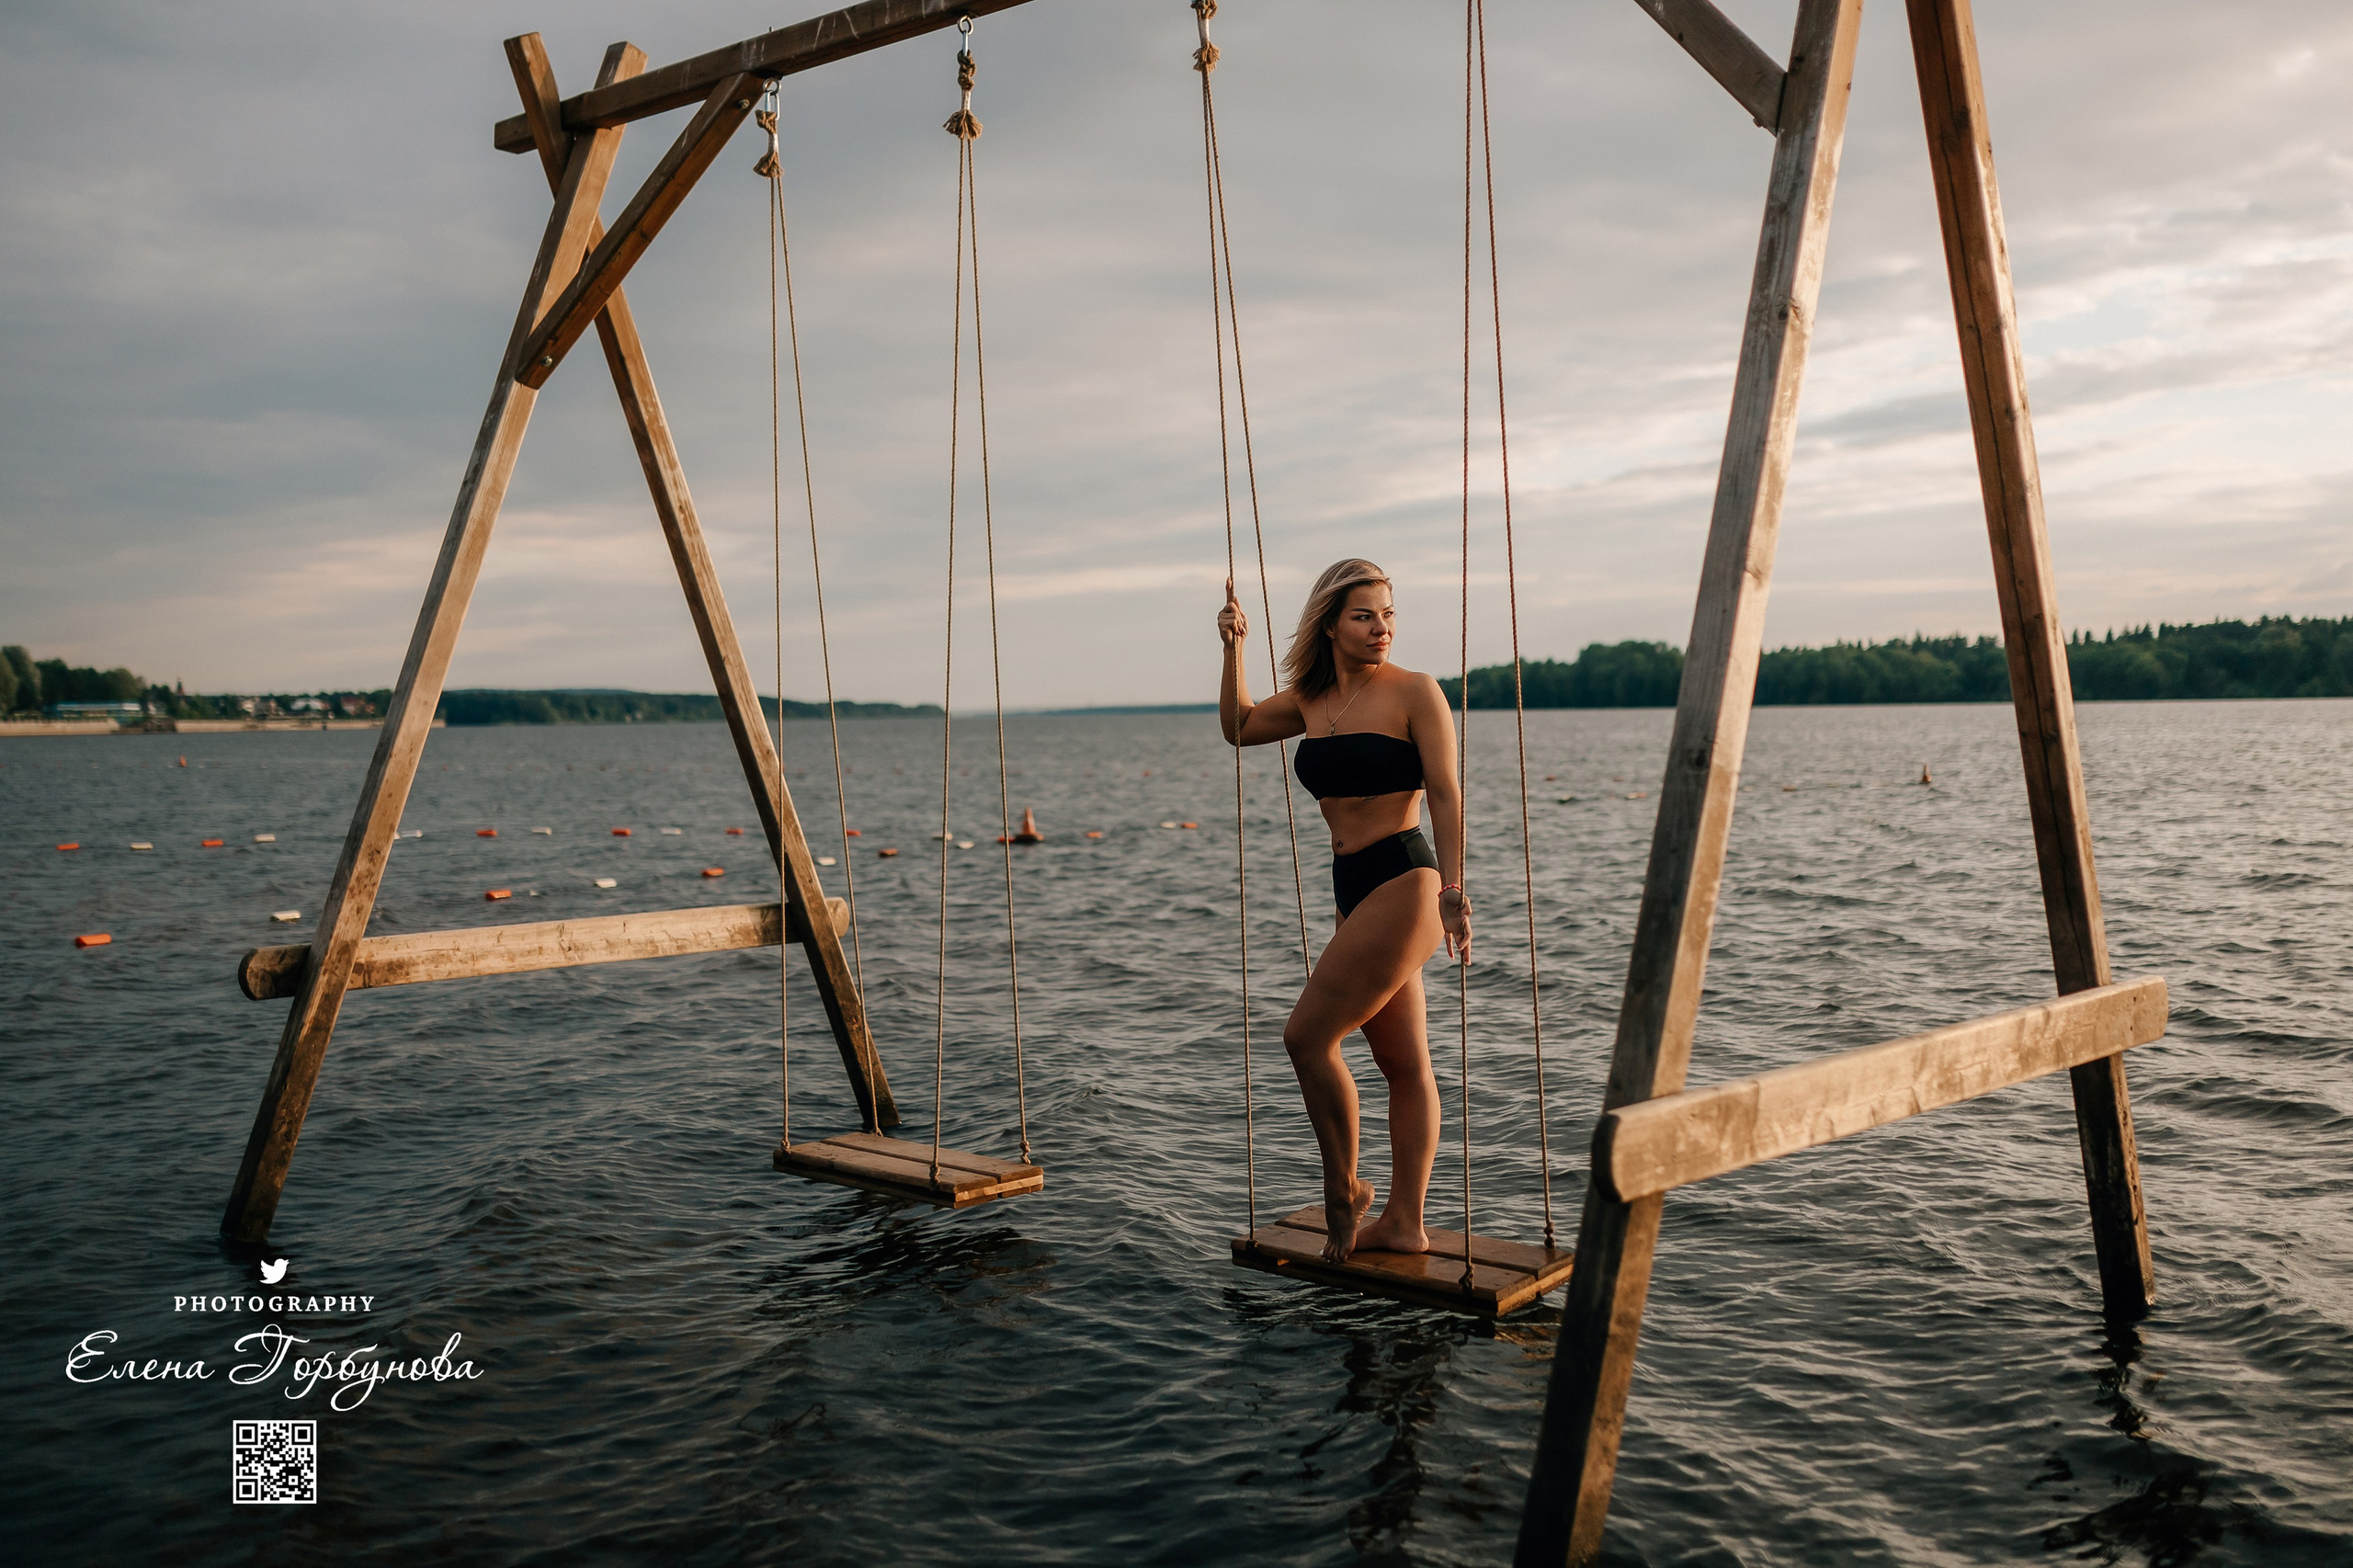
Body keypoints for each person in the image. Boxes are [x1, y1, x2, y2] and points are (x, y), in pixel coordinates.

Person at [1218, 558, 1471, 1264]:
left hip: (1405, 879)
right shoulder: (1311, 697)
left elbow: (1445, 791)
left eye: (1388, 615)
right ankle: (1405, 1223)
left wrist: (1454, 891)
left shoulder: (1415, 691)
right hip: (1351, 885)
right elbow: (1239, 726)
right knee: (1401, 1061)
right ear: (1330, 625)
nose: (1381, 628)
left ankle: (1343, 1190)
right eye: (1364, 616)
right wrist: (1235, 646)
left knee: (1306, 1038)